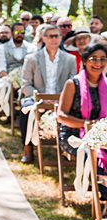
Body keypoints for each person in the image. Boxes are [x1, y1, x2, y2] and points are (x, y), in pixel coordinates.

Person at [57, 43, 107, 216]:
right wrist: (87, 124)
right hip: (74, 136)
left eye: (102, 59)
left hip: (102, 136)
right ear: (85, 61)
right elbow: (61, 115)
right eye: (94, 59)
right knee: (93, 157)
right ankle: (104, 202)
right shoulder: (73, 84)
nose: (98, 63)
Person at [19, 24, 77, 163]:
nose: (54, 39)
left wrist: (61, 99)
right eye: (50, 36)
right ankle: (27, 148)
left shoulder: (70, 59)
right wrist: (41, 98)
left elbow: (74, 85)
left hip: (61, 99)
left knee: (77, 110)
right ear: (43, 38)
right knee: (25, 109)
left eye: (56, 36)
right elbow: (25, 85)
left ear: (61, 38)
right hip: (37, 98)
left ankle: (68, 147)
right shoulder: (32, 58)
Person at [0, 22, 32, 117]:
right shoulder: (2, 48)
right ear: (11, 33)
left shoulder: (31, 47)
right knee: (6, 87)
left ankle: (27, 114)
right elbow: (1, 68)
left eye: (22, 32)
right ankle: (10, 114)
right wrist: (12, 81)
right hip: (7, 78)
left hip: (27, 78)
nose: (20, 34)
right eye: (17, 32)